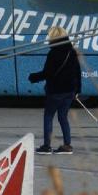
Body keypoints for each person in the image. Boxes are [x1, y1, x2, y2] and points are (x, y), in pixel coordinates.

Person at [28, 26, 82, 155]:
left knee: (48, 116)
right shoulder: (72, 51)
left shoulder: (53, 53)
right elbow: (78, 72)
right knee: (63, 117)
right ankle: (67, 145)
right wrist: (77, 90)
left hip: (56, 91)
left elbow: (48, 73)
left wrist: (33, 77)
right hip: (70, 90)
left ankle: (47, 146)